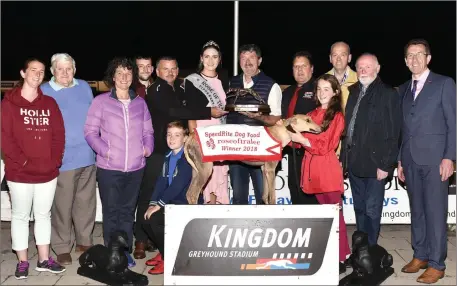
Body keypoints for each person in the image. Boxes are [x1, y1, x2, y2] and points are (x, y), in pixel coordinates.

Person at [134, 56, 208, 259]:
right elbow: (174, 111)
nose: (170, 72)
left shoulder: (179, 87)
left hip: (177, 149)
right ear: (157, 72)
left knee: (176, 190)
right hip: (158, 151)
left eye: (174, 69)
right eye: (166, 69)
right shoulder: (157, 89)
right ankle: (140, 239)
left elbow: (195, 102)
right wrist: (208, 111)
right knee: (148, 194)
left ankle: (163, 242)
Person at [84, 57, 154, 267]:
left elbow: (148, 131)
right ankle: (110, 251)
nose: (124, 77)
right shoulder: (101, 102)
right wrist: (105, 151)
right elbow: (90, 132)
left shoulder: (140, 103)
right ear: (113, 77)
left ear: (133, 77)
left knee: (127, 210)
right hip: (109, 168)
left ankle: (125, 251)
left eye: (128, 73)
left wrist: (147, 148)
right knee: (112, 210)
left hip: (136, 167)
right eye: (120, 73)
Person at [1, 58, 66, 279]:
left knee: (43, 215)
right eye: (33, 70)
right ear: (22, 72)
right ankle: (21, 262)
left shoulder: (50, 104)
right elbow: (5, 138)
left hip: (47, 172)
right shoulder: (8, 104)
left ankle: (44, 259)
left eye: (41, 71)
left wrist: (55, 160)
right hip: (20, 172)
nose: (37, 75)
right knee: (20, 216)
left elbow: (59, 135)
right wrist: (24, 161)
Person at [397, 39, 456, 284]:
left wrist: (450, 157)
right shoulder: (402, 89)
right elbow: (403, 129)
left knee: (434, 212)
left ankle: (437, 263)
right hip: (410, 159)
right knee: (418, 211)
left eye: (419, 54)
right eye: (410, 55)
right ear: (405, 61)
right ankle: (419, 255)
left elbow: (453, 123)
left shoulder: (444, 83)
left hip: (435, 159)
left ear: (428, 58)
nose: (414, 59)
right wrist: (400, 160)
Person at [288, 74, 351, 274]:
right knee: (323, 218)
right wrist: (287, 132)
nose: (322, 93)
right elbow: (294, 140)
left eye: (326, 89)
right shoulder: (311, 114)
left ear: (335, 92)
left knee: (335, 217)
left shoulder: (337, 116)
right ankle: (328, 254)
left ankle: (342, 257)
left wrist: (302, 139)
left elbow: (326, 146)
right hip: (311, 172)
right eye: (319, 89)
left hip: (327, 171)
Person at [40, 53, 96, 265]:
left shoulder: (83, 86)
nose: (65, 73)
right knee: (62, 205)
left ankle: (85, 240)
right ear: (53, 71)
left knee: (86, 203)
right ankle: (62, 246)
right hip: (63, 159)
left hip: (88, 155)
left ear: (75, 69)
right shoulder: (44, 91)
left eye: (69, 68)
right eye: (60, 69)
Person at [340, 53, 401, 246]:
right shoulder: (353, 91)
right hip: (355, 162)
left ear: (377, 68)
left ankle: (372, 251)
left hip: (377, 165)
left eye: (367, 66)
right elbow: (349, 128)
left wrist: (386, 164)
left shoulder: (388, 94)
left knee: (372, 210)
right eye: (359, 67)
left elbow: (394, 132)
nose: (363, 70)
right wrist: (344, 161)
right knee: (359, 209)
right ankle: (361, 250)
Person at [143, 121, 202, 275]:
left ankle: (168, 258)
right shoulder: (168, 156)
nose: (172, 139)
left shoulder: (188, 157)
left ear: (185, 138)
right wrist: (153, 203)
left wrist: (160, 205)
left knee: (155, 220)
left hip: (185, 203)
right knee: (145, 218)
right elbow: (161, 182)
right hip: (172, 202)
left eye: (177, 135)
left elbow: (178, 185)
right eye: (169, 135)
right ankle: (163, 252)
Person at [226, 44, 282, 204]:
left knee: (263, 197)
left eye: (251, 58)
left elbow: (276, 119)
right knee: (238, 197)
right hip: (235, 149)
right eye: (243, 58)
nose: (247, 62)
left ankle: (265, 228)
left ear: (260, 60)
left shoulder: (272, 86)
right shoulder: (232, 82)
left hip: (260, 151)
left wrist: (257, 117)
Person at [185, 40, 229, 204]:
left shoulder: (224, 81)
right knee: (204, 174)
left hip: (221, 134)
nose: (211, 61)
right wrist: (193, 136)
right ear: (201, 58)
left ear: (220, 59)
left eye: (215, 57)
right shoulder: (192, 80)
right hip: (203, 135)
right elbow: (190, 112)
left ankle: (218, 210)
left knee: (219, 173)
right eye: (207, 56)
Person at [281, 51, 318, 205]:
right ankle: (300, 226)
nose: (300, 70)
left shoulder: (318, 90)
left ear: (312, 69)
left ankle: (314, 226)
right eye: (296, 67)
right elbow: (282, 119)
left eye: (303, 66)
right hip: (291, 149)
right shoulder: (288, 92)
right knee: (294, 186)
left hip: (310, 150)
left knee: (309, 189)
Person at [131, 55, 156, 259]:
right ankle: (139, 240)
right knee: (140, 197)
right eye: (141, 66)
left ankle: (149, 237)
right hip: (137, 150)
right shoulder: (131, 90)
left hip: (158, 149)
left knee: (153, 195)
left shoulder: (161, 87)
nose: (145, 69)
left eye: (148, 66)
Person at [326, 41, 358, 111]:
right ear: (330, 58)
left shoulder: (359, 80)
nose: (338, 59)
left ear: (349, 58)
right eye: (335, 55)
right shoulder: (323, 80)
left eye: (343, 55)